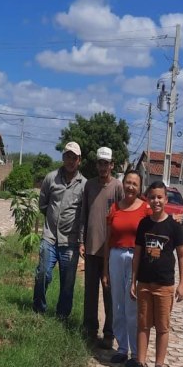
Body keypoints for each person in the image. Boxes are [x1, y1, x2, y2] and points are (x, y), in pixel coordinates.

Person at [130, 181, 183, 367]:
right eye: (152, 197)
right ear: (148, 198)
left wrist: (182, 284)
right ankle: (140, 363)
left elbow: (182, 256)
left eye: (160, 197)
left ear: (166, 199)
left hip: (164, 285)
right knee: (143, 325)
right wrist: (133, 280)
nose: (156, 201)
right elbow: (137, 254)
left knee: (162, 327)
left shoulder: (174, 226)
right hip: (144, 283)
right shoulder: (144, 224)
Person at [33, 141, 86, 319]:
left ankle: (62, 316)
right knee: (42, 274)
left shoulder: (83, 184)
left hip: (70, 242)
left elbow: (83, 215)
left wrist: (80, 240)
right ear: (63, 157)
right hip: (49, 237)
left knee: (68, 282)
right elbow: (43, 204)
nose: (71, 161)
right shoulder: (51, 178)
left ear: (79, 160)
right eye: (68, 156)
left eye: (74, 158)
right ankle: (38, 310)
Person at [102, 170, 150, 367]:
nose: (130, 187)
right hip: (115, 256)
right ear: (123, 184)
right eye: (128, 182)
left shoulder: (145, 209)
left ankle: (135, 352)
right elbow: (108, 240)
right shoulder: (114, 208)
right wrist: (105, 269)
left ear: (140, 188)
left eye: (135, 184)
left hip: (135, 258)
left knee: (132, 306)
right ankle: (122, 348)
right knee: (117, 304)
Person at [81, 146, 124, 348]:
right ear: (96, 164)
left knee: (109, 293)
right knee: (90, 293)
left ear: (112, 165)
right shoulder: (89, 186)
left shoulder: (117, 187)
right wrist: (81, 241)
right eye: (100, 163)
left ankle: (109, 332)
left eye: (106, 163)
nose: (103, 167)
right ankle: (89, 329)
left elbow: (123, 214)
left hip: (111, 251)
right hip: (91, 248)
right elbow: (84, 215)